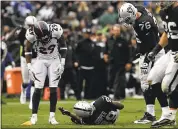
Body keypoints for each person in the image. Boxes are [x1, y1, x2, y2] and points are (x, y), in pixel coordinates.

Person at [119, 3, 169, 124]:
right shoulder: (139, 10)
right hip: (149, 51)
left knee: (148, 83)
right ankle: (155, 113)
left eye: (127, 19)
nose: (126, 22)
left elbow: (151, 43)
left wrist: (147, 60)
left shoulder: (142, 23)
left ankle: (154, 114)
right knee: (151, 83)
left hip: (152, 53)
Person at [22, 21, 67, 125]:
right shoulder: (31, 34)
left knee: (53, 88)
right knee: (38, 87)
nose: (45, 39)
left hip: (54, 59)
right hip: (40, 60)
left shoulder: (56, 29)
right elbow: (27, 50)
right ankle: (34, 117)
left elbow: (63, 45)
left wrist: (62, 63)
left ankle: (52, 117)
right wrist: (29, 66)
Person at [146, 1, 178, 128]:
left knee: (167, 86)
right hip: (172, 52)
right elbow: (168, 32)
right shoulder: (164, 12)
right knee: (152, 79)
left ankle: (170, 116)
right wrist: (156, 49)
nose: (161, 2)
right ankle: (166, 115)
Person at [17, 16, 37, 109]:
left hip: (35, 58)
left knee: (34, 79)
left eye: (32, 25)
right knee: (25, 81)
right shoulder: (22, 32)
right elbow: (24, 44)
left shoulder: (38, 31)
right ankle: (23, 92)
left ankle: (32, 101)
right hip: (25, 58)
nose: (31, 27)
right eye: (29, 25)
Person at [58, 95, 124, 125]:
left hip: (111, 116)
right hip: (111, 117)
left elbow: (78, 119)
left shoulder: (88, 120)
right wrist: (69, 114)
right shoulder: (101, 102)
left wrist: (69, 114)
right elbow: (121, 106)